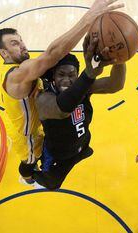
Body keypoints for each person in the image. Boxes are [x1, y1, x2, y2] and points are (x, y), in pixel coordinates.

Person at [0, 0, 124, 187]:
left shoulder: (29, 72)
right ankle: (28, 179)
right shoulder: (16, 76)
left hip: (45, 130)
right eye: (14, 43)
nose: (22, 45)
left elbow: (113, 84)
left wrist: (119, 57)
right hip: (26, 135)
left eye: (21, 41)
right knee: (30, 162)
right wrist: (90, 17)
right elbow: (52, 55)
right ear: (3, 53)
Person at [32, 36, 126, 190]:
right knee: (52, 184)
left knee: (83, 150)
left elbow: (116, 84)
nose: (67, 80)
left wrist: (120, 59)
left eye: (71, 75)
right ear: (53, 77)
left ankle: (80, 152)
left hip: (83, 142)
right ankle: (32, 177)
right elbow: (63, 109)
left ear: (77, 76)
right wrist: (89, 73)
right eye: (61, 75)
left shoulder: (84, 88)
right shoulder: (44, 98)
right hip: (58, 155)